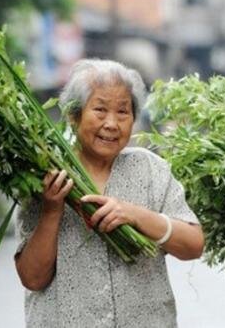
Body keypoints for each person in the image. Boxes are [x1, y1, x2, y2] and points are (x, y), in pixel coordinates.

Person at [14, 59, 205, 327]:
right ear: (73, 115)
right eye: (100, 110)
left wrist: (136, 215)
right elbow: (33, 279)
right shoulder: (47, 175)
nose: (112, 123)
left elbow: (194, 245)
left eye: (123, 112)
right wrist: (51, 210)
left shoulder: (151, 169)